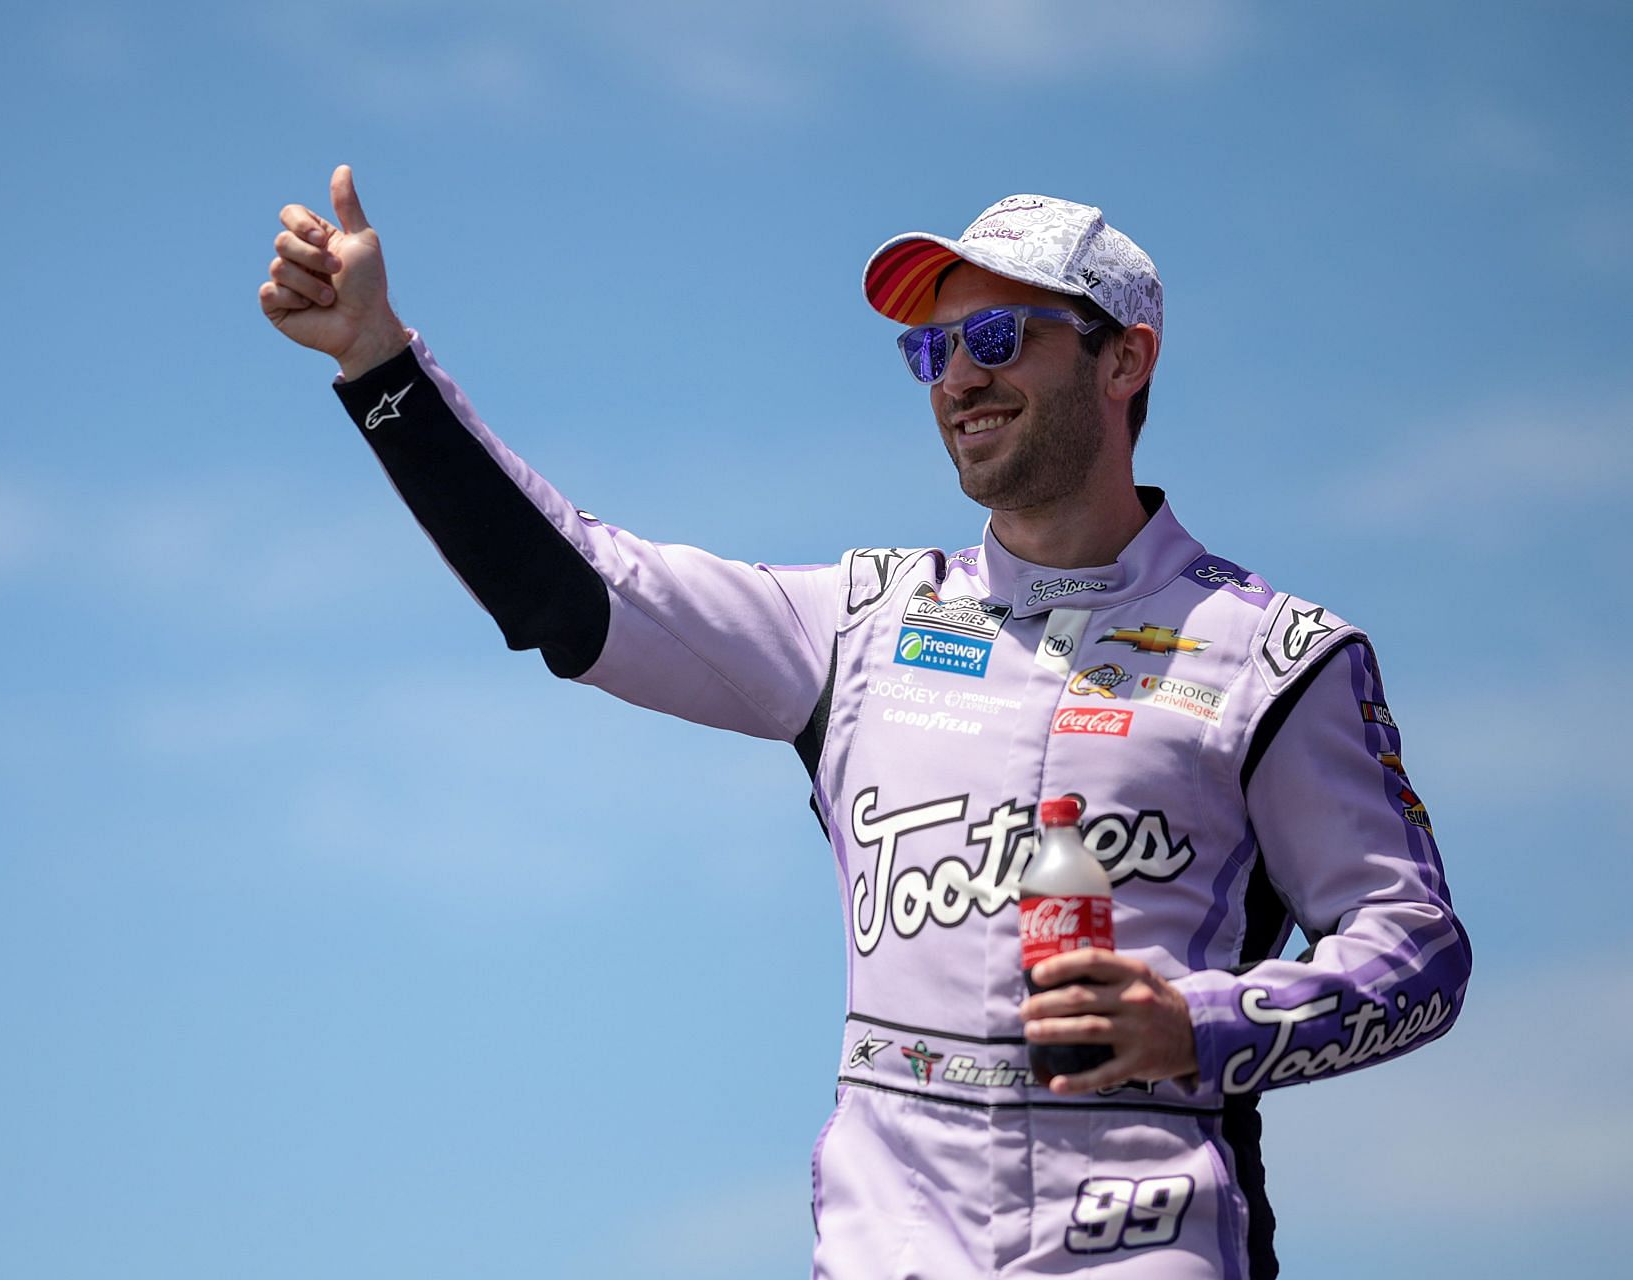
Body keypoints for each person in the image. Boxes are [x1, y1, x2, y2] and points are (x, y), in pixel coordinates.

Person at [259, 166, 1471, 1279]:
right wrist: (378, 365)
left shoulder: (1281, 656)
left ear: (1125, 361)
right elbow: (571, 588)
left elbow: (1419, 949)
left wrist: (1196, 1022)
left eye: (997, 336)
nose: (958, 377)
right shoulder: (859, 623)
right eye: (930, 350)